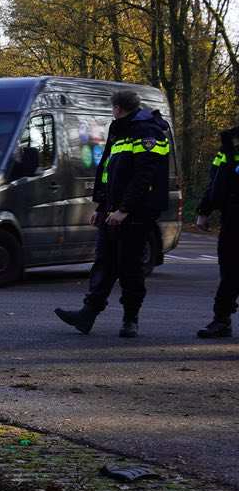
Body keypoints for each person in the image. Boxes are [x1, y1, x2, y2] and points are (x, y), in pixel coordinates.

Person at [56, 90, 172, 338]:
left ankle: (130, 320)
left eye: (113, 108)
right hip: (113, 210)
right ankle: (87, 315)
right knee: (104, 263)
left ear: (118, 108)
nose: (112, 112)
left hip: (135, 213)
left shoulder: (146, 131)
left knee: (129, 267)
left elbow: (144, 176)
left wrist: (124, 210)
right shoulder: (121, 129)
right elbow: (109, 173)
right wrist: (101, 207)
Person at [194, 124, 239, 338]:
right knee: (229, 272)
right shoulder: (230, 142)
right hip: (233, 219)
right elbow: (216, 181)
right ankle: (221, 321)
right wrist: (204, 210)